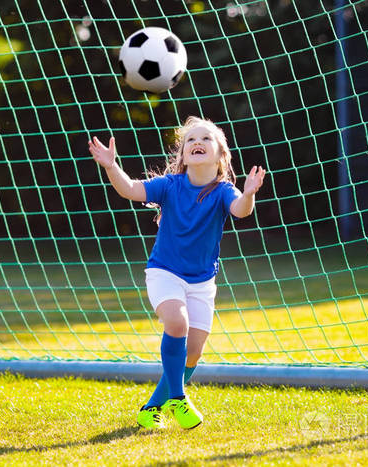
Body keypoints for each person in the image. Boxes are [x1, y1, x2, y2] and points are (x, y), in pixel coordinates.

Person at [88, 116, 265, 429]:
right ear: (183, 155)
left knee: (193, 354)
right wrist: (111, 166)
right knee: (176, 322)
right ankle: (179, 398)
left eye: (205, 139)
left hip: (202, 282)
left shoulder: (224, 190)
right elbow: (130, 189)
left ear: (221, 156)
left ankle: (151, 407)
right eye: (190, 140)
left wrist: (249, 193)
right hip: (165, 273)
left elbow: (241, 211)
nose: (197, 143)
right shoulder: (170, 186)